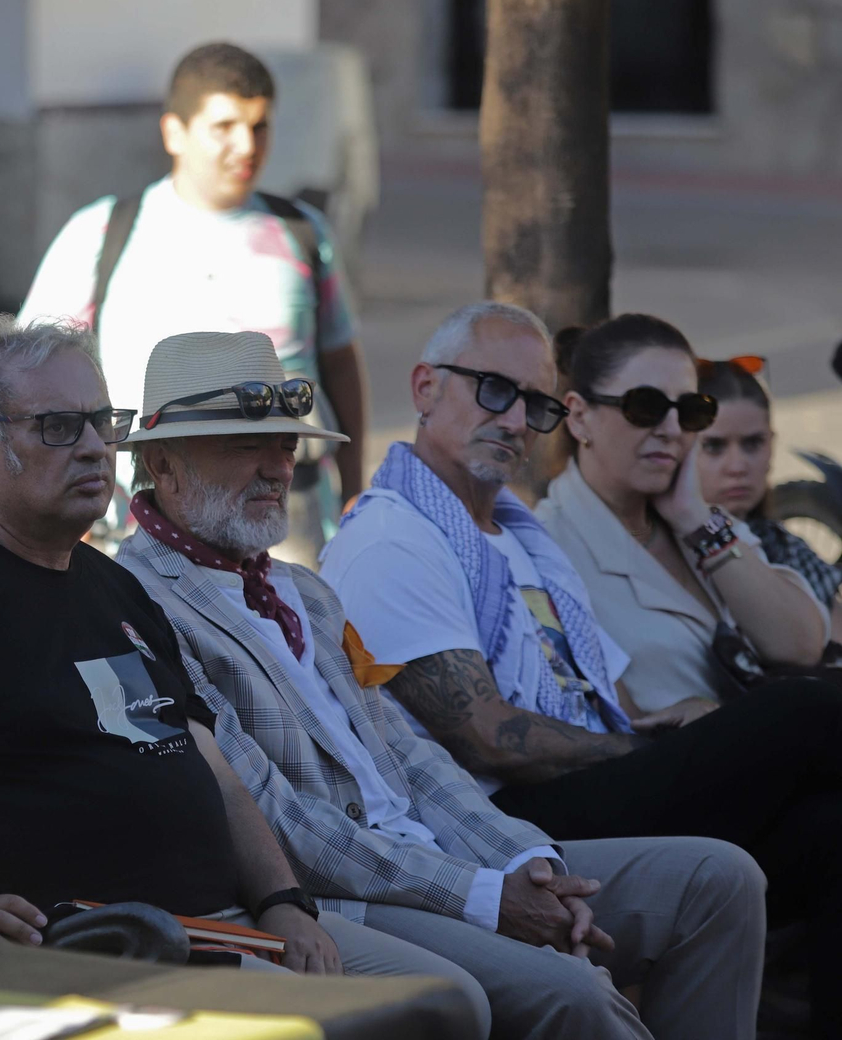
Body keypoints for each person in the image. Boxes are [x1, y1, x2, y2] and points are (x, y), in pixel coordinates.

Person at [0, 316, 493, 1031]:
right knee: (375, 1022)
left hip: (231, 926)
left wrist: (282, 901)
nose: (97, 448)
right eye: (60, 428)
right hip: (105, 951)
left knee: (454, 1005)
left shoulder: (108, 584)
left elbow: (213, 771)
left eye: (103, 422)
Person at [117, 329, 765, 1040]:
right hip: (346, 893)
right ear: (162, 464)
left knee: (720, 879)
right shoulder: (139, 601)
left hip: (440, 850)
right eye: (247, 445)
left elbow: (413, 758)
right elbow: (284, 823)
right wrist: (488, 895)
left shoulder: (301, 587)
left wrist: (527, 862)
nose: (277, 467)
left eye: (286, 444)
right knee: (572, 992)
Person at [320, 301, 842, 1039]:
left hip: (584, 792)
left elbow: (612, 698)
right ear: (425, 388)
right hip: (498, 825)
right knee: (806, 713)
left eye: (533, 403)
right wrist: (665, 753)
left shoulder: (521, 537)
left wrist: (682, 733)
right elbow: (487, 739)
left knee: (828, 831)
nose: (513, 419)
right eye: (492, 390)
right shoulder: (392, 538)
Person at [19, 42, 367, 552]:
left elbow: (340, 362)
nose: (247, 146)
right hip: (137, 524)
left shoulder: (303, 232)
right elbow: (33, 373)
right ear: (174, 132)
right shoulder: (102, 232)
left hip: (286, 519)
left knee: (292, 633)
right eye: (224, 127)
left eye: (260, 125)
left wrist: (355, 490)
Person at [538, 315, 829, 704]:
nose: (672, 429)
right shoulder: (547, 547)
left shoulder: (701, 520)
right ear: (578, 416)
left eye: (691, 410)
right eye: (645, 406)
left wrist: (696, 521)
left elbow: (799, 645)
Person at [695, 356, 842, 644]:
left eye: (753, 443)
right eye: (714, 446)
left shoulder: (783, 546)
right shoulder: (664, 549)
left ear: (772, 444)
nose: (737, 466)